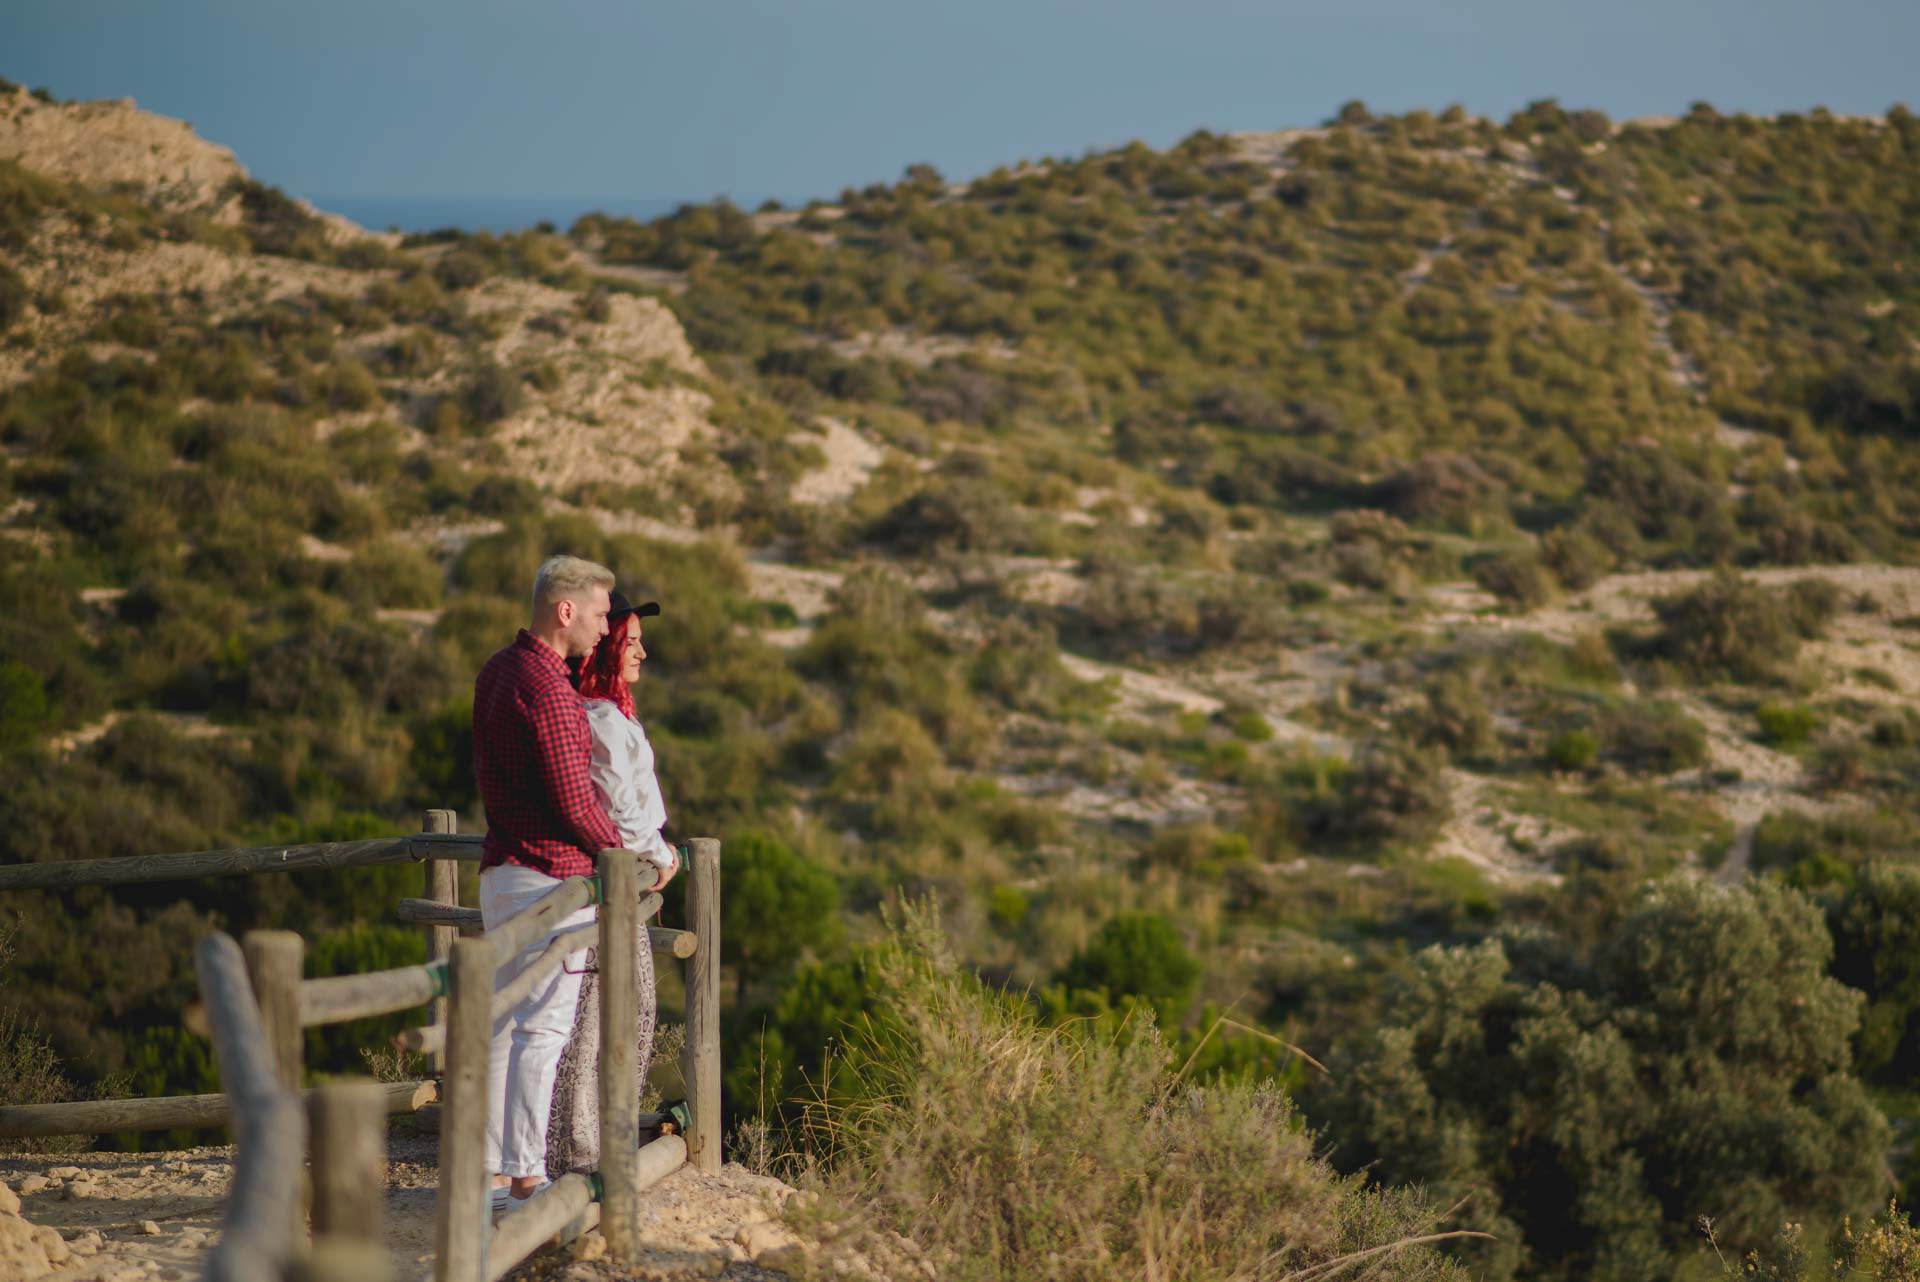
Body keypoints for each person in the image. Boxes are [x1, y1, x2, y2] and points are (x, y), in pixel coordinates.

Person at [470, 554, 620, 1215]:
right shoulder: (551, 688)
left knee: (500, 1025)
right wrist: (621, 853)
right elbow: (572, 799)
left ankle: (488, 1174)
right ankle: (527, 1176)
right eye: (599, 612)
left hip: (501, 870)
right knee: (544, 1029)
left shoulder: (497, 672)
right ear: (566, 611)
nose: (605, 626)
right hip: (552, 881)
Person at [544, 591, 679, 1177]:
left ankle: (599, 1149)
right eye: (630, 640)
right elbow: (621, 808)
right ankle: (581, 1159)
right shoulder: (598, 716)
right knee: (599, 1021)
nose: (642, 652)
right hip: (608, 884)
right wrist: (659, 853)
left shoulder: (612, 712)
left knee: (627, 1014)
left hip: (621, 884)